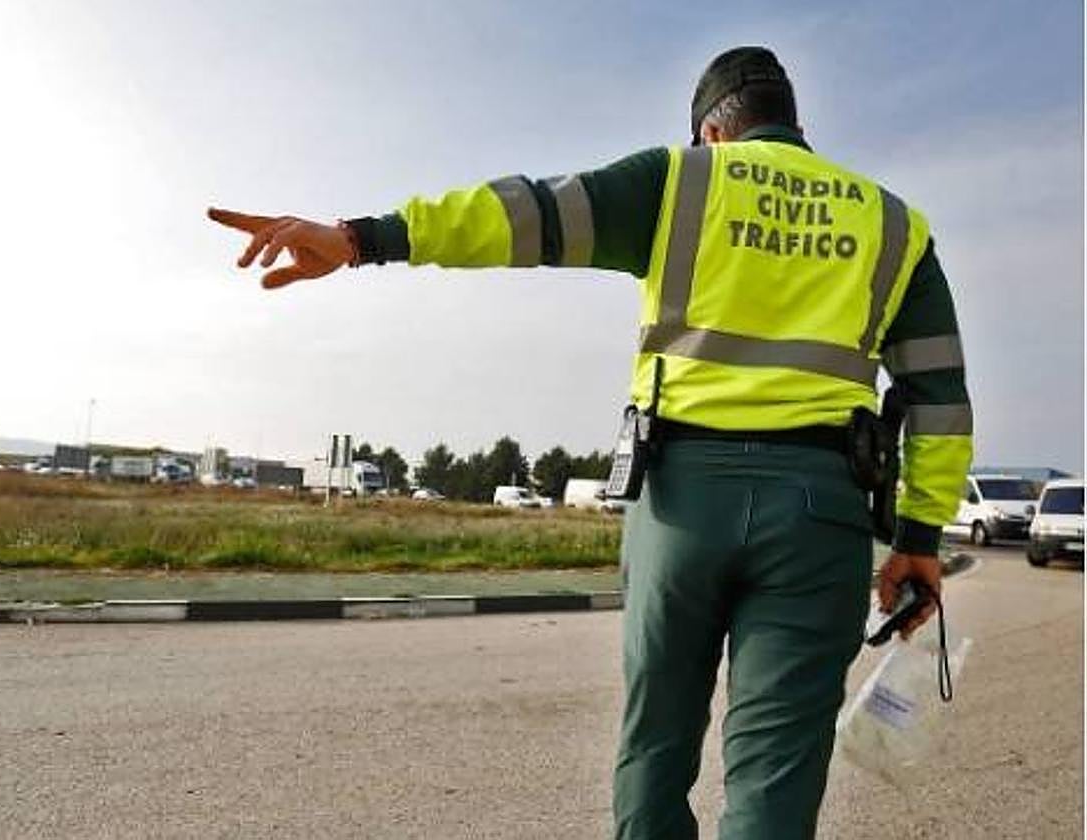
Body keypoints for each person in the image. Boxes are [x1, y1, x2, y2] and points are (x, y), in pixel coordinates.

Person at [208, 46, 972, 840]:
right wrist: (918, 537)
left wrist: (363, 238)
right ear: (795, 127)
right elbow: (940, 397)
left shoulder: (679, 181)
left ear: (712, 132)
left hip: (682, 501)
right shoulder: (892, 224)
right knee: (777, 771)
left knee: (656, 742)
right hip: (823, 510)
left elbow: (522, 214)